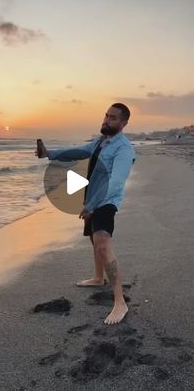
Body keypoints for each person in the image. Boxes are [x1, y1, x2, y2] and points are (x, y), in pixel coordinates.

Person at [35, 103, 136, 324]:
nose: (107, 120)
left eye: (113, 118)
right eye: (106, 115)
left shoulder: (124, 149)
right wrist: (49, 153)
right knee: (94, 239)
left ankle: (120, 303)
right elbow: (78, 151)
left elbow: (117, 182)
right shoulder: (101, 141)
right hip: (92, 199)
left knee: (102, 243)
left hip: (106, 201)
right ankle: (99, 278)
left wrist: (93, 205)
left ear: (123, 123)